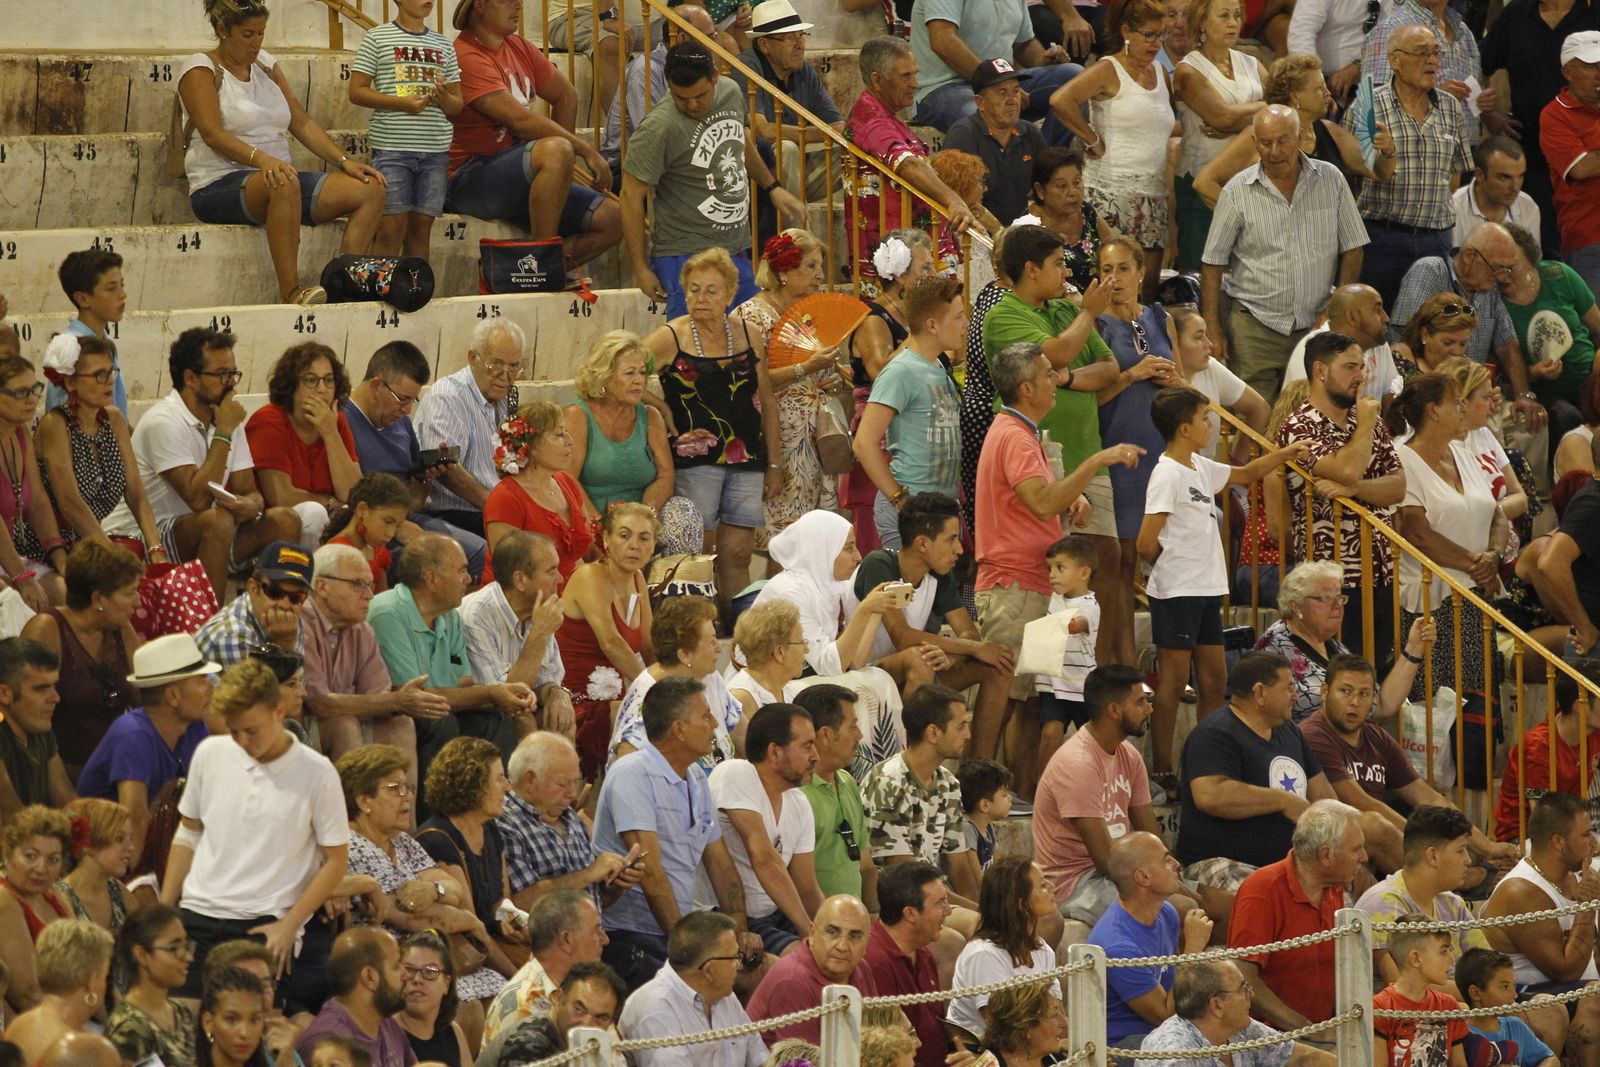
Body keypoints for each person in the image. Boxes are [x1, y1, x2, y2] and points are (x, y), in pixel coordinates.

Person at [972, 341, 1139, 767]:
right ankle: (978, 782)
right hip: (1013, 582)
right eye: (1048, 374)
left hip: (1031, 581)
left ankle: (1017, 787)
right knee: (1003, 689)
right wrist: (1097, 460)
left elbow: (1043, 501)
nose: (1056, 380)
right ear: (1027, 388)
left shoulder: (1019, 432)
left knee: (1026, 697)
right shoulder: (1014, 435)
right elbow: (1041, 501)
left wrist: (1074, 497)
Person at [1140, 387, 1310, 778]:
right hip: (1178, 591)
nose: (1210, 424)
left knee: (1215, 679)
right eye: (1203, 418)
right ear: (1185, 428)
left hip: (1204, 590)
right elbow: (1147, 542)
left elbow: (1247, 473)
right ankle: (1162, 767)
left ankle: (1206, 761)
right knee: (1174, 681)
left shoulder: (1199, 465)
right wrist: (1174, 568)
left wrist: (1284, 453)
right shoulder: (1167, 474)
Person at [161, 659, 349, 1010]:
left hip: (265, 923)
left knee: (252, 1038)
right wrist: (166, 907)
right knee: (185, 1034)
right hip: (197, 913)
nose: (242, 741)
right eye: (234, 731)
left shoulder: (317, 773)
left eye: (252, 730)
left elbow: (336, 860)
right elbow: (188, 833)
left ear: (279, 712)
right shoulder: (210, 753)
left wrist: (291, 925)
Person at [177, 0, 386, 305]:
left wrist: (345, 161)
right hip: (218, 183)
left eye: (261, 33)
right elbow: (212, 134)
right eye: (248, 34)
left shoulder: (265, 64)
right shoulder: (200, 68)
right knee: (283, 181)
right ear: (221, 29)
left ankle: (346, 283)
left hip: (278, 181)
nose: (256, 42)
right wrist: (261, 159)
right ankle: (291, 292)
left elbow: (300, 121)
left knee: (372, 189)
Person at [980, 227, 1125, 656]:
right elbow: (1057, 352)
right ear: (1030, 269)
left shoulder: (1064, 309)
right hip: (1043, 458)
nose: (1066, 271)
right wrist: (1089, 315)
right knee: (1063, 572)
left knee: (1106, 563)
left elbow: (1109, 367)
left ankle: (1104, 672)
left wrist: (1066, 379)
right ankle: (1068, 681)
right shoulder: (1003, 315)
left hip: (1085, 455)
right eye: (1058, 263)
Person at [591, 677, 762, 991]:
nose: (714, 724)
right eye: (705, 716)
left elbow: (722, 867)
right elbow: (652, 874)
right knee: (708, 984)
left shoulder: (696, 777)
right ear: (679, 729)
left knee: (763, 971)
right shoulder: (632, 773)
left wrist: (737, 935)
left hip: (677, 930)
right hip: (629, 934)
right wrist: (687, 953)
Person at [640, 249, 781, 622]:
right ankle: (699, 628)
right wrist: (660, 405)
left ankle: (737, 631)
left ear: (731, 294)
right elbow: (616, 368)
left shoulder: (750, 335)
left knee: (738, 554)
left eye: (711, 291)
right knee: (699, 552)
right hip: (694, 460)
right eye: (693, 290)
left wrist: (775, 462)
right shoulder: (672, 335)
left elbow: (766, 399)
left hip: (748, 457)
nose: (700, 299)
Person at [1390, 373, 1511, 791]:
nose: (1463, 409)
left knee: (1477, 714)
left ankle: (1474, 812)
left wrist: (1492, 557)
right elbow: (1414, 530)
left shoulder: (1464, 452)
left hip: (1476, 600)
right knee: (1437, 719)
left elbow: (1498, 512)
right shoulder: (1401, 459)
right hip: (1431, 605)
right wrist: (1473, 564)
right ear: (1432, 411)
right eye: (1456, 402)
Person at [1201, 106, 1367, 403]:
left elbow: (1354, 246)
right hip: (1254, 327)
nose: (1274, 151)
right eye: (1265, 142)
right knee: (1253, 422)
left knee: (1310, 416)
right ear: (1255, 143)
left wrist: (1335, 305)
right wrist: (1213, 326)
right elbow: (1212, 263)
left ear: (1300, 137)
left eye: (1283, 141)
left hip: (1315, 328)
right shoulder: (1236, 191)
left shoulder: (1331, 179)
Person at [622, 43, 802, 316]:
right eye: (681, 97)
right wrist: (640, 268)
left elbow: (739, 139)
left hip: (735, 250)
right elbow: (630, 196)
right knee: (693, 348)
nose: (692, 105)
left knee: (751, 337)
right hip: (685, 256)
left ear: (715, 77)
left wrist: (772, 186)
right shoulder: (658, 127)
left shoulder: (731, 92)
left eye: (700, 95)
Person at [445, 0, 620, 274]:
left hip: (518, 173)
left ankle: (533, 268)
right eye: (508, 0)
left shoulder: (518, 46)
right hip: (469, 176)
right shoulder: (464, 54)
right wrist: (581, 150)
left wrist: (562, 168)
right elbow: (520, 120)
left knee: (614, 219)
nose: (518, 6)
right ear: (480, 5)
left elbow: (566, 96)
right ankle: (539, 260)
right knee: (556, 149)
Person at [133, 328, 301, 599]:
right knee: (217, 520)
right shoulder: (163, 421)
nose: (231, 383)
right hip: (151, 535)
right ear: (190, 378)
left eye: (233, 373)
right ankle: (208, 625)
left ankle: (274, 615)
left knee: (285, 520)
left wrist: (253, 506)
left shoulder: (226, 417)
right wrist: (223, 430)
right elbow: (197, 500)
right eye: (222, 374)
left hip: (209, 529)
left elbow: (249, 489)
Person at [1303, 658, 1512, 875]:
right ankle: (1459, 882)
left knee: (1456, 836)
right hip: (1333, 837)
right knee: (1376, 824)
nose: (1355, 701)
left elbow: (1429, 798)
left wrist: (1487, 847)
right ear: (1325, 691)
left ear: (1373, 698)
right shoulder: (1314, 735)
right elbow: (1360, 802)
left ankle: (1466, 876)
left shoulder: (1377, 737)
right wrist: (1426, 841)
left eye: (1364, 694)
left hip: (1372, 841)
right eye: (1345, 691)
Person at [848, 494, 1016, 760]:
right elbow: (903, 637)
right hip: (865, 673)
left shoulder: (939, 574)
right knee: (920, 658)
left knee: (998, 664)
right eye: (951, 539)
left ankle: (979, 773)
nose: (959, 549)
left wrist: (950, 656)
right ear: (922, 544)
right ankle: (907, 767)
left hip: (913, 668)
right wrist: (971, 647)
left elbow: (969, 633)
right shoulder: (878, 564)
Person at [1277, 334, 1405, 665]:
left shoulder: (1370, 421)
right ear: (1320, 371)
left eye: (1361, 367)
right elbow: (1348, 468)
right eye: (1350, 367)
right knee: (1341, 675)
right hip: (1330, 579)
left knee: (1378, 673)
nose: (1360, 376)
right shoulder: (1299, 426)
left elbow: (1397, 486)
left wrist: (1354, 490)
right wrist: (1363, 427)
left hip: (1381, 569)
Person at [750, 511, 909, 771]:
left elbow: (854, 661)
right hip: (770, 687)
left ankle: (884, 772)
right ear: (821, 549)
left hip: (802, 678)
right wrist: (866, 610)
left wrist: (874, 612)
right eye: (848, 548)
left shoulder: (827, 587)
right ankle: (862, 772)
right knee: (861, 685)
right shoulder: (791, 590)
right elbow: (830, 665)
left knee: (877, 678)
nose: (858, 556)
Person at [368, 533, 534, 768]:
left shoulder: (450, 616)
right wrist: (491, 692)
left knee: (495, 720)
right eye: (461, 571)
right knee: (439, 721)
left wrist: (500, 694)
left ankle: (495, 801)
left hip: (439, 708)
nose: (469, 579)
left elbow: (462, 685)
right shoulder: (388, 614)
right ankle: (436, 803)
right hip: (394, 714)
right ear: (431, 579)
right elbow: (414, 696)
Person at [1175, 652, 1335, 891]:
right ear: (1260, 693)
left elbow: (1324, 794)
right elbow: (1210, 795)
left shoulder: (1290, 732)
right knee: (1269, 898)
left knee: (1344, 898)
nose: (1295, 695)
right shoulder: (1214, 734)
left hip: (1289, 862)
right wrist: (1282, 800)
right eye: (1289, 687)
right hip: (1216, 863)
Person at [1047, 0, 1173, 302]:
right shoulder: (1108, 68)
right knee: (1107, 293)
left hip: (1153, 198)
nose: (1156, 44)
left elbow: (1158, 126)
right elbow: (1061, 100)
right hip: (1110, 196)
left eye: (1161, 35)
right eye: (1148, 35)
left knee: (1146, 293)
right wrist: (1091, 139)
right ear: (1127, 31)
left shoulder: (1162, 73)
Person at [1347, 25, 1472, 307]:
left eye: (1436, 53)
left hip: (1435, 241)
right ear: (1394, 60)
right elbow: (1350, 173)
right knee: (1379, 326)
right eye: (1421, 52)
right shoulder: (1368, 107)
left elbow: (1455, 175)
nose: (1431, 60)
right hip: (1382, 240)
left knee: (1432, 329)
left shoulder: (1452, 108)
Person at [1096, 239, 1179, 667]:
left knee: (1170, 555)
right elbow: (1090, 397)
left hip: (1163, 452)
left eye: (1124, 268)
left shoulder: (1159, 318)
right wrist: (1134, 374)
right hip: (1121, 448)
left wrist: (1170, 380)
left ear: (1141, 273)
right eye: (1106, 269)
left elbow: (1183, 383)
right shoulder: (1097, 325)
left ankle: (1169, 662)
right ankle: (1126, 666)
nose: (1115, 278)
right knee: (1126, 563)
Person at [339, 341, 486, 579]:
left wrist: (427, 476)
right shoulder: (342, 421)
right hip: (372, 528)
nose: (407, 410)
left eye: (412, 401)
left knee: (479, 553)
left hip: (411, 518)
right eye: (402, 399)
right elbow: (347, 496)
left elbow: (415, 500)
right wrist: (396, 526)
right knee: (435, 564)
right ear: (376, 386)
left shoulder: (400, 423)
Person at [735, 231, 842, 541]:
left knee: (812, 530)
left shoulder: (805, 312)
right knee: (785, 533)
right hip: (777, 432)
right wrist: (806, 368)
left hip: (811, 433)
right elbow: (749, 378)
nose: (820, 275)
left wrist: (825, 377)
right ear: (783, 271)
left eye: (820, 266)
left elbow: (809, 372)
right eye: (810, 266)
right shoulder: (752, 315)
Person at [842, 37, 977, 283]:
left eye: (915, 74)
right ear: (877, 80)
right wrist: (954, 201)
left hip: (918, 252)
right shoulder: (871, 120)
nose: (915, 84)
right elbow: (908, 164)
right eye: (905, 76)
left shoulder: (887, 118)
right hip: (900, 265)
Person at [1227, 801, 1366, 1034]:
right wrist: (1308, 1029)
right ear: (1325, 856)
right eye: (1356, 849)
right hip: (1268, 1038)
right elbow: (1243, 976)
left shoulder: (1334, 888)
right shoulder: (1262, 890)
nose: (1364, 857)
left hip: (1318, 1031)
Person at [1034, 664, 1158, 925]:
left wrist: (1166, 869)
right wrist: (1158, 882)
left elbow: (1150, 832)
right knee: (1172, 911)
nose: (1149, 710)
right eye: (1140, 703)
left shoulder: (1129, 756)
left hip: (1118, 870)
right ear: (1114, 710)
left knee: (1206, 904)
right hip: (1073, 883)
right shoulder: (1078, 762)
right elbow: (1104, 860)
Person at [1481, 792, 1600, 1056]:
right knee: (1596, 996)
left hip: (1574, 990)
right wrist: (1587, 907)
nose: (1594, 842)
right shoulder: (1521, 891)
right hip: (1527, 992)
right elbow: (1566, 971)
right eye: (1586, 834)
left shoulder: (1575, 877)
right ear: (1558, 842)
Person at [303, 543, 443, 767]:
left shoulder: (361, 629)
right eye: (358, 585)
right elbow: (320, 704)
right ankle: (352, 802)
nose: (369, 595)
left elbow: (378, 695)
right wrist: (395, 700)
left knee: (401, 725)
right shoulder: (301, 622)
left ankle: (401, 801)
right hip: (298, 727)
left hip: (345, 719)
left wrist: (396, 702)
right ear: (322, 586)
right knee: (345, 725)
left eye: (370, 585)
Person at [854, 278, 967, 550]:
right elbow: (863, 443)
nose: (966, 324)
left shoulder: (937, 366)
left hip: (942, 507)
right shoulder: (901, 371)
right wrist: (899, 500)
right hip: (912, 507)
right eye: (959, 317)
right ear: (932, 325)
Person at [1193, 56, 1390, 211]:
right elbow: (1204, 182)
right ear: (1296, 95)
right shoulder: (1258, 135)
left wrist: (1388, 153)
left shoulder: (1330, 131)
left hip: (1325, 249)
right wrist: (1244, 220)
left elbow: (1379, 171)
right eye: (1319, 89)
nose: (1328, 94)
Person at [76, 633, 219, 845]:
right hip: (108, 853)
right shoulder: (132, 736)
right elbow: (135, 820)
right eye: (201, 681)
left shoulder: (195, 727)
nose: (211, 687)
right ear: (172, 697)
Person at [347, 0, 463, 259]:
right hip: (392, 148)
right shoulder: (377, 38)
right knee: (390, 227)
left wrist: (444, 98)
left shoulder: (444, 44)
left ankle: (413, 290)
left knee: (421, 230)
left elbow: (457, 104)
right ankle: (381, 289)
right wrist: (402, 103)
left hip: (435, 151)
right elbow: (356, 91)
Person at [29, 336, 160, 562]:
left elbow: (136, 492)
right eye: (99, 375)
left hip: (93, 544)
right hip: (50, 546)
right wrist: (111, 554)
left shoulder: (115, 419)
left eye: (111, 372)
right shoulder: (55, 424)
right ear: (71, 383)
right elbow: (69, 503)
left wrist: (156, 550)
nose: (109, 381)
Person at [708, 704, 822, 955]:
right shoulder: (736, 773)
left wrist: (830, 930)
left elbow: (807, 887)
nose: (816, 756)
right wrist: (812, 935)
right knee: (804, 961)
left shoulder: (800, 803)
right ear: (775, 753)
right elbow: (763, 859)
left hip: (775, 916)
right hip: (727, 919)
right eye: (807, 746)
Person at [14, 542, 139, 772]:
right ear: (98, 599)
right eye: (129, 593)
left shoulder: (120, 627)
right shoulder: (47, 630)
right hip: (63, 769)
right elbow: (24, 718)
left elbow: (143, 697)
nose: (138, 602)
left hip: (117, 763)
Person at [848, 231, 935, 552]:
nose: (933, 275)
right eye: (925, 268)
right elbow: (881, 372)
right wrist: (921, 333)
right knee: (883, 544)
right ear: (899, 274)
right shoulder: (873, 319)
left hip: (915, 436)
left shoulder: (913, 317)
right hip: (883, 440)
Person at [554, 505, 655, 778]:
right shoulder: (589, 576)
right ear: (606, 540)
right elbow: (611, 643)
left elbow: (647, 645)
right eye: (624, 535)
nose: (634, 545)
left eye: (644, 538)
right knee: (654, 718)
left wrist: (672, 682)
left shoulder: (638, 579)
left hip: (615, 698)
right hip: (575, 701)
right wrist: (655, 689)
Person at [1253, 564, 1424, 725]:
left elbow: (1381, 705)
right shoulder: (1274, 648)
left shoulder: (1333, 646)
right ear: (1297, 606)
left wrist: (1413, 648)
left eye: (1340, 598)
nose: (1338, 606)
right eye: (1326, 598)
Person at [414, 739, 526, 981]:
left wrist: (515, 924)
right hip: (467, 958)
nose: (507, 787)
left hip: (493, 943)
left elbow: (502, 903)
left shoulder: (491, 829)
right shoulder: (439, 841)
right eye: (499, 779)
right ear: (472, 784)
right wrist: (517, 980)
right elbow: (473, 931)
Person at [1090, 833, 1213, 1048]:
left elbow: (1172, 982)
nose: (1176, 864)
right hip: (1127, 1046)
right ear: (1143, 878)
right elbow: (1165, 1015)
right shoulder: (1118, 947)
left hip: (1169, 1032)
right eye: (1166, 860)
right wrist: (1193, 949)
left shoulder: (1167, 913)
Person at [861, 685, 978, 909]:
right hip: (903, 903)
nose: (968, 734)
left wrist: (982, 914)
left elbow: (959, 863)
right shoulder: (888, 782)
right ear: (933, 732)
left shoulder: (948, 783)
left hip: (935, 898)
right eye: (961, 726)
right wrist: (977, 915)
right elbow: (903, 876)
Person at [1355, 807, 1498, 992]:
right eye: (1461, 851)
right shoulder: (1383, 904)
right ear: (1433, 856)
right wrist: (1482, 994)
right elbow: (1405, 988)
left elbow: (1491, 970)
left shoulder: (1453, 904)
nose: (1468, 860)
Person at [1172, 0, 1266, 273]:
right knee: (1202, 272)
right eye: (1223, 16)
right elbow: (1221, 116)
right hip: (1200, 182)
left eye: (1237, 15)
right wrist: (1261, 109)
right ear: (1202, 22)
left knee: (1242, 274)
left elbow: (1280, 111)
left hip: (1251, 182)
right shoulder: (1188, 69)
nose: (1233, 23)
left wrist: (1239, 125)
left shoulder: (1251, 63)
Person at [498, 732, 637, 910]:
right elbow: (517, 905)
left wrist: (616, 883)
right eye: (563, 784)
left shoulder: (570, 817)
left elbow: (597, 902)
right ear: (530, 779)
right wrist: (589, 873)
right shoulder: (505, 823)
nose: (572, 793)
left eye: (576, 781)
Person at [413, 319, 523, 540]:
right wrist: (495, 506)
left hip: (493, 506)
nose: (505, 375)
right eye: (496, 364)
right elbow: (446, 470)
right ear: (473, 358)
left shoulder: (506, 395)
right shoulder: (447, 397)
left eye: (514, 367)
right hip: (457, 512)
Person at [245, 344, 362, 551]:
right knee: (314, 512)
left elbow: (354, 494)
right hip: (268, 524)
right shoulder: (269, 420)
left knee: (360, 517)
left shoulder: (336, 421)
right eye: (310, 380)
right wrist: (328, 503)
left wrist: (330, 433)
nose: (322, 389)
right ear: (291, 387)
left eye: (328, 380)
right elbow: (280, 497)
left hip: (323, 517)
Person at [460, 533, 575, 741]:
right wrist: (539, 634)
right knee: (524, 721)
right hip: (479, 713)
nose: (560, 578)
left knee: (562, 720)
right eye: (551, 571)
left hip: (522, 703)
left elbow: (549, 679)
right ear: (520, 580)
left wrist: (558, 694)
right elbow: (505, 697)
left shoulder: (537, 608)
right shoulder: (477, 615)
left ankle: (567, 775)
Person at [909, 0, 1081, 140]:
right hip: (943, 87)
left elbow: (1023, 44)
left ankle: (1047, 169)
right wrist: (997, 81)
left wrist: (1043, 59)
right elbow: (942, 41)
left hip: (1002, 82)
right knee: (989, 115)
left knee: (1075, 80)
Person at [616, 911, 768, 1067]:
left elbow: (761, 1059)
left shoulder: (724, 994)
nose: (740, 966)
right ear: (709, 970)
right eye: (735, 958)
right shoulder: (655, 1011)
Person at [561, 331, 677, 520]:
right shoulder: (577, 416)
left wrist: (644, 513)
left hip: (641, 519)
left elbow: (666, 476)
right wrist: (597, 525)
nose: (639, 380)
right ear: (603, 376)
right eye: (630, 373)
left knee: (683, 512)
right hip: (590, 516)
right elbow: (566, 478)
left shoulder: (651, 416)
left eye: (642, 372)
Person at [731, 1, 846, 188]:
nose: (800, 45)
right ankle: (794, 216)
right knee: (787, 148)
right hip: (755, 173)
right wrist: (816, 134)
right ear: (764, 45)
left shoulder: (804, 70)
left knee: (855, 155)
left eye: (801, 35)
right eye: (790, 38)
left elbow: (838, 126)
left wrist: (810, 134)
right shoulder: (745, 68)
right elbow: (763, 132)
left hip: (794, 170)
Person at [481, 401, 597, 587]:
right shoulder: (505, 498)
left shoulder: (566, 482)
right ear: (531, 447)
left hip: (571, 591)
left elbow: (583, 554)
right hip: (526, 601)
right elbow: (512, 575)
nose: (570, 440)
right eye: (559, 434)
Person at [1139, 959, 1334, 1067]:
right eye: (1243, 989)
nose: (1251, 994)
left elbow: (1305, 1058)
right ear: (1216, 1005)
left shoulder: (1241, 1029)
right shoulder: (1173, 1056)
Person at [477, 889, 609, 1048]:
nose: (605, 939)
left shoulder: (581, 988)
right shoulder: (524, 1008)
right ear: (566, 940)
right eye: (596, 930)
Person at [947, 858, 1061, 1039]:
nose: (1052, 887)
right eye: (1042, 885)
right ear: (1021, 904)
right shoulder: (983, 955)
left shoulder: (1043, 950)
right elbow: (1001, 1031)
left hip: (1034, 1046)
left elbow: (1058, 1016)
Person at [1502, 223, 1600, 423]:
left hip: (1589, 377)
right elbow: (1503, 369)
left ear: (1530, 261)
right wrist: (1533, 373)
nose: (1503, 276)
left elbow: (1598, 325)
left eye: (1511, 267)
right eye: (1497, 268)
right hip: (1545, 392)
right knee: (1567, 417)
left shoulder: (1558, 274)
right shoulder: (1494, 302)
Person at [748, 895, 876, 1043]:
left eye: (854, 937)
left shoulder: (861, 968)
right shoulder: (792, 980)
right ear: (812, 933)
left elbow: (875, 1038)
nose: (842, 946)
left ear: (867, 944)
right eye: (832, 932)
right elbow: (806, 1062)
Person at [1496, 659, 1600, 839]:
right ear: (1580, 706)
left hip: (1569, 828)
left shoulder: (1593, 730)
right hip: (1525, 837)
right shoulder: (1539, 746)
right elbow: (1543, 816)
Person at [860, 861, 949, 1067]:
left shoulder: (923, 951)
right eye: (940, 904)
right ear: (910, 914)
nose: (948, 911)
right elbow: (884, 1056)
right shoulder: (874, 964)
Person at [795, 686, 877, 907]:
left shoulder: (847, 781)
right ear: (826, 735)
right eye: (853, 726)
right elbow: (801, 883)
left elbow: (866, 865)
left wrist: (875, 918)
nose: (859, 735)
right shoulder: (797, 796)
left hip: (858, 920)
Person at [943, 62, 1048, 225]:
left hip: (1020, 233)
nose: (1012, 100)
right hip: (978, 236)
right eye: (1002, 93)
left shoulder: (1029, 133)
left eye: (1016, 91)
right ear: (980, 102)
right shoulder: (964, 134)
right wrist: (1000, 235)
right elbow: (964, 203)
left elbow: (1048, 184)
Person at [295, 928, 415, 1067]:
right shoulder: (328, 1046)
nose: (406, 974)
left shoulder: (387, 1024)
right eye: (396, 966)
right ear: (370, 977)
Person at [2, 920, 113, 1065]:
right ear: (91, 982)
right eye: (105, 976)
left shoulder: (18, 1025)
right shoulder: (85, 1051)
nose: (106, 984)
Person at [1543, 32, 1600, 295]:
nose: (1599, 73)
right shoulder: (1555, 115)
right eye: (1590, 66)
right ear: (1568, 71)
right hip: (1589, 239)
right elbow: (1583, 167)